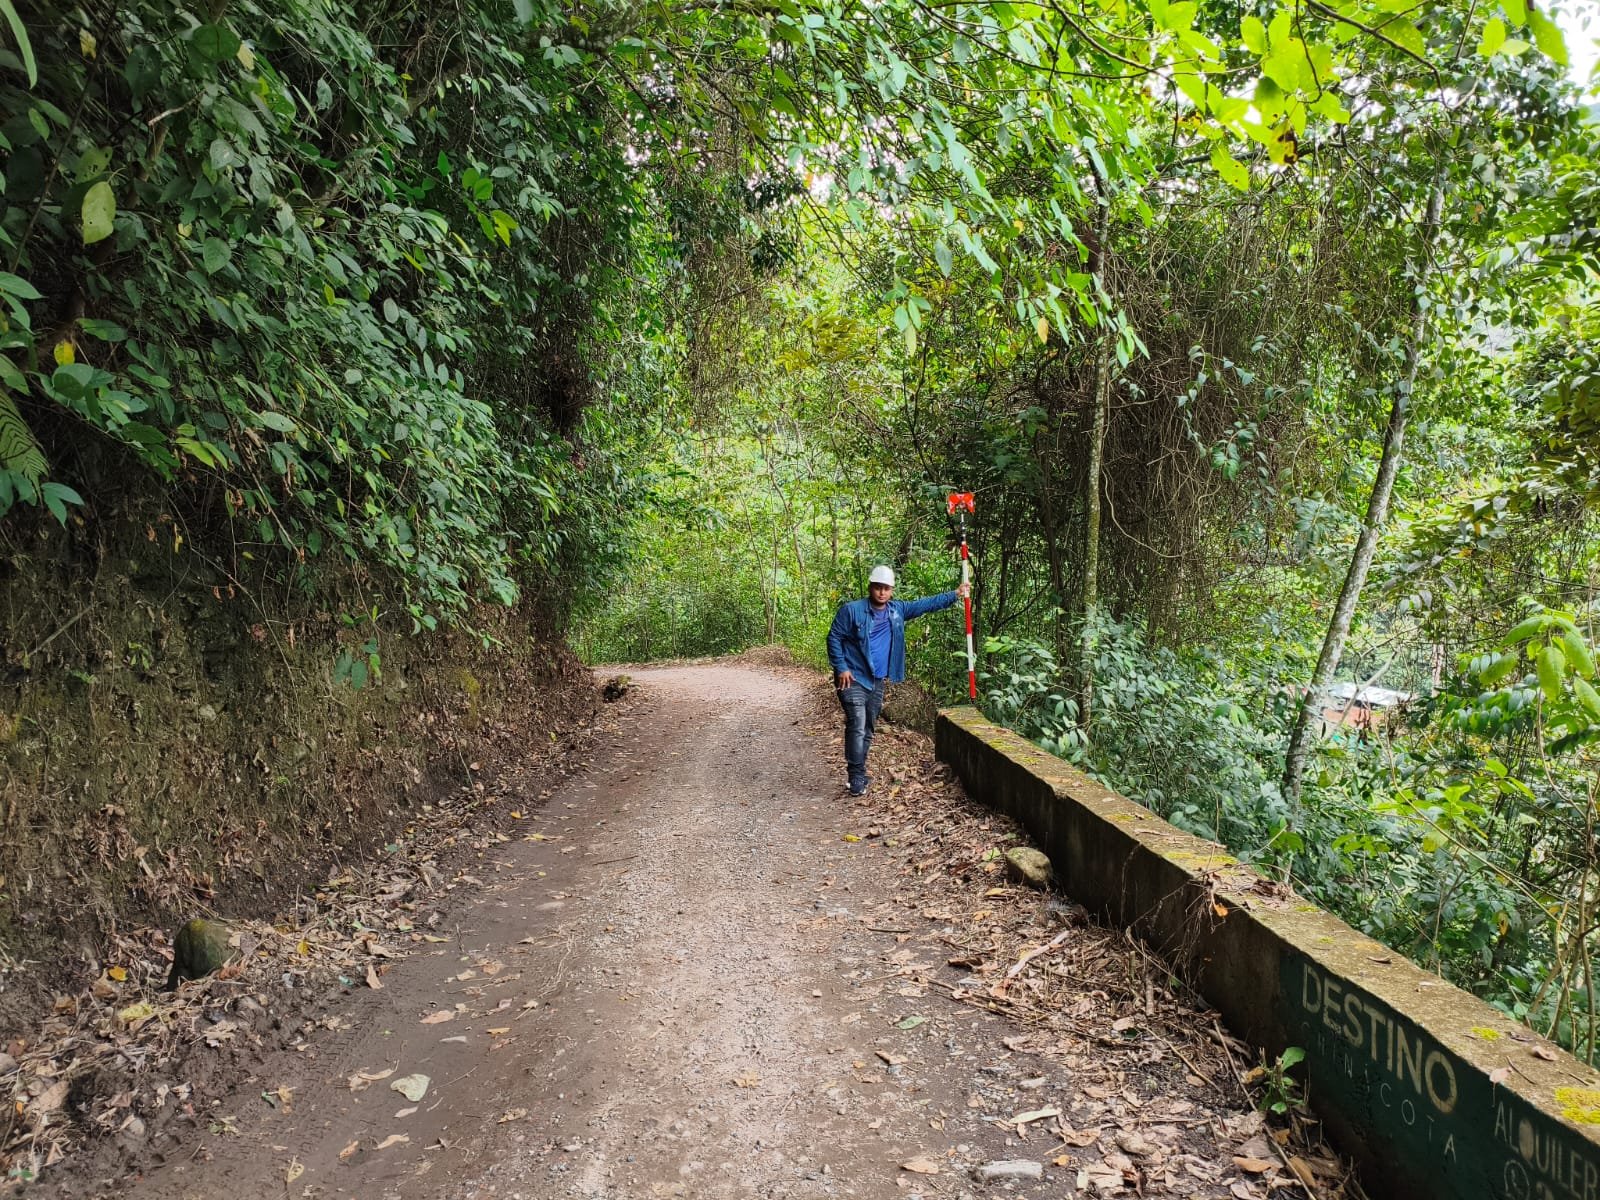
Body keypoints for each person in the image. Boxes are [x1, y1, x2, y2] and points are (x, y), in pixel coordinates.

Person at [826, 565, 970, 796]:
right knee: (857, 723)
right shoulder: (852, 610)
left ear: (892, 590)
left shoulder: (897, 611)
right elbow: (834, 637)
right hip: (853, 678)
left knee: (868, 727)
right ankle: (856, 776)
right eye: (878, 587)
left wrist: (955, 594)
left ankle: (859, 771)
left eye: (886, 588)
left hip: (877, 680)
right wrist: (841, 667)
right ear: (870, 587)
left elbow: (925, 604)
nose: (882, 592)